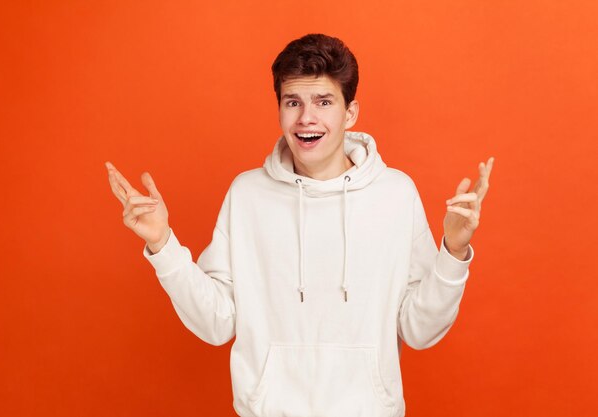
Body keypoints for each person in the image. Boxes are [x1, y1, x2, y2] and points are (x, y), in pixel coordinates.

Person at [105, 33, 494, 417]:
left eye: (323, 102)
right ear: (280, 110)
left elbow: (419, 329)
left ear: (350, 113)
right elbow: (217, 322)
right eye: (293, 102)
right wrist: (163, 245)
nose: (306, 118)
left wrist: (454, 252)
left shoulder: (394, 194)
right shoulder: (248, 195)